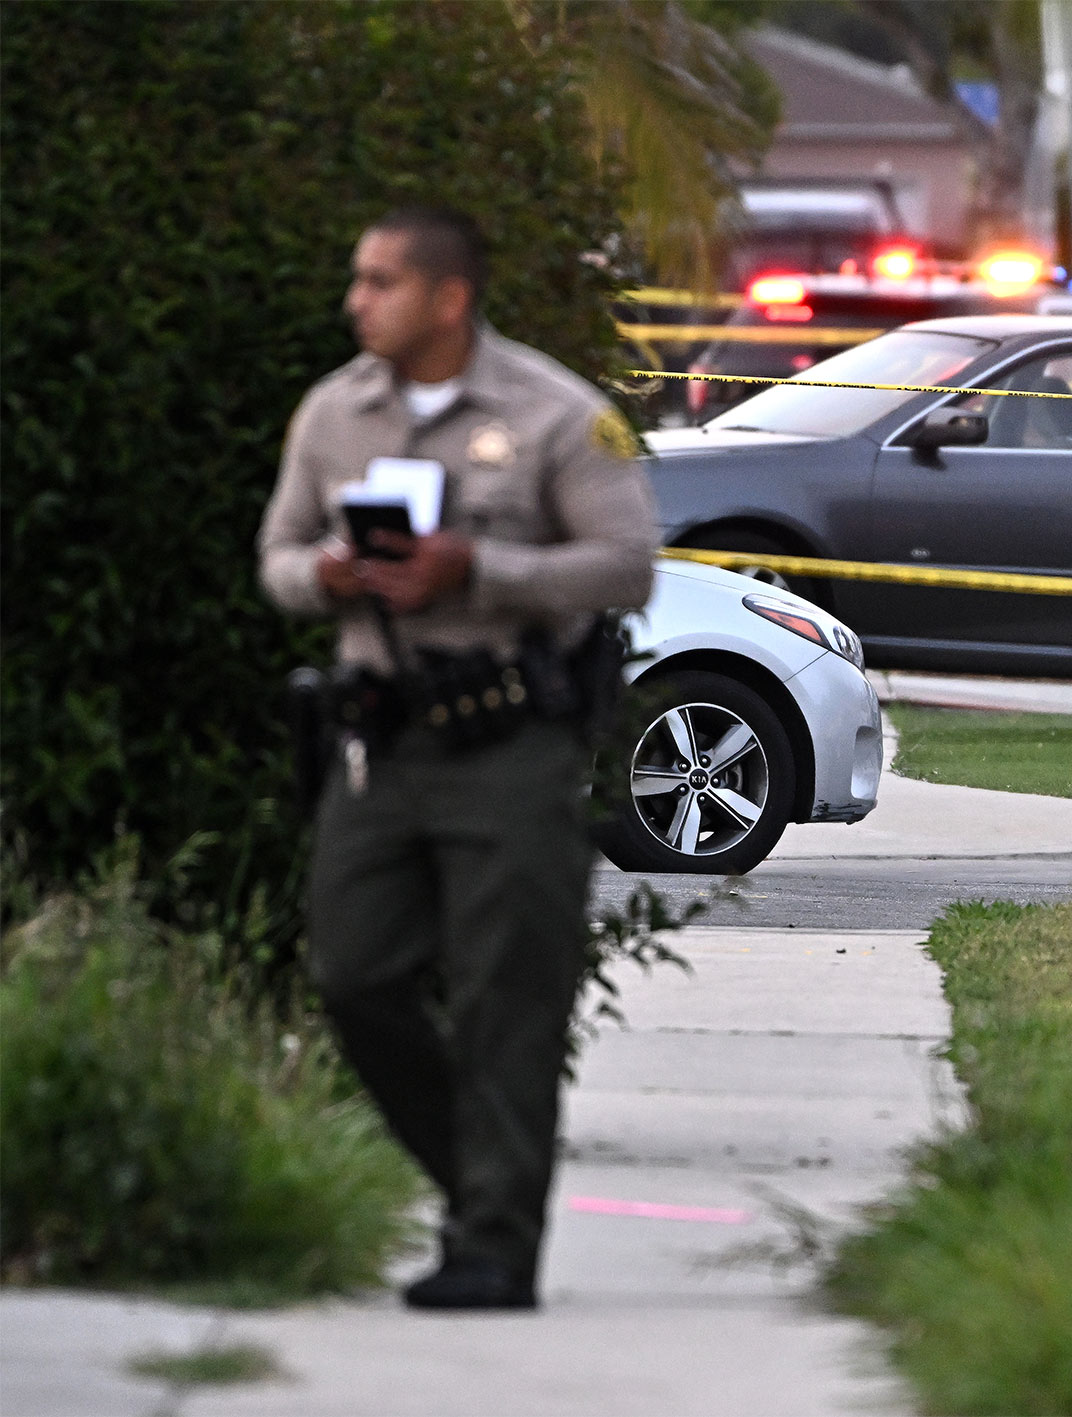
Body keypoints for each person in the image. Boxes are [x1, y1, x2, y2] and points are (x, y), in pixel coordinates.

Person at [257, 206, 657, 1310]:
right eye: (357, 280)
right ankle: (479, 1181)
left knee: (504, 997)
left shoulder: (559, 416)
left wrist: (478, 570)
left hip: (509, 744)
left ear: (448, 297)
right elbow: (277, 559)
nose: (355, 301)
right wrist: (326, 578)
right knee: (354, 972)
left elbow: (626, 567)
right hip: (378, 745)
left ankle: (493, 1244)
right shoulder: (334, 414)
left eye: (378, 281)